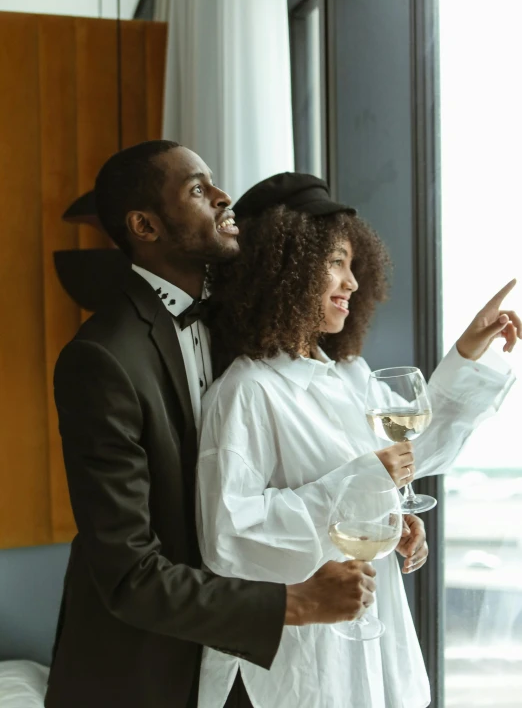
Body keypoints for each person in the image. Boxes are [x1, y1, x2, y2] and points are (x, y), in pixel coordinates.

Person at [45, 142, 380, 708]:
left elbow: (271, 464)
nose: (224, 197)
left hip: (239, 668)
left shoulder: (241, 323)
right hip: (141, 671)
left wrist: (372, 513)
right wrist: (294, 603)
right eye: (198, 189)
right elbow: (130, 572)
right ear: (144, 225)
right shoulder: (102, 359)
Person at [196, 172, 520, 708]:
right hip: (305, 652)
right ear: (284, 269)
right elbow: (230, 537)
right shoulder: (247, 392)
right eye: (335, 263)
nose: (352, 283)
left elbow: (411, 458)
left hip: (372, 631)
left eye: (352, 265)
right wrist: (364, 483)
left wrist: (387, 518)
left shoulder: (347, 374)